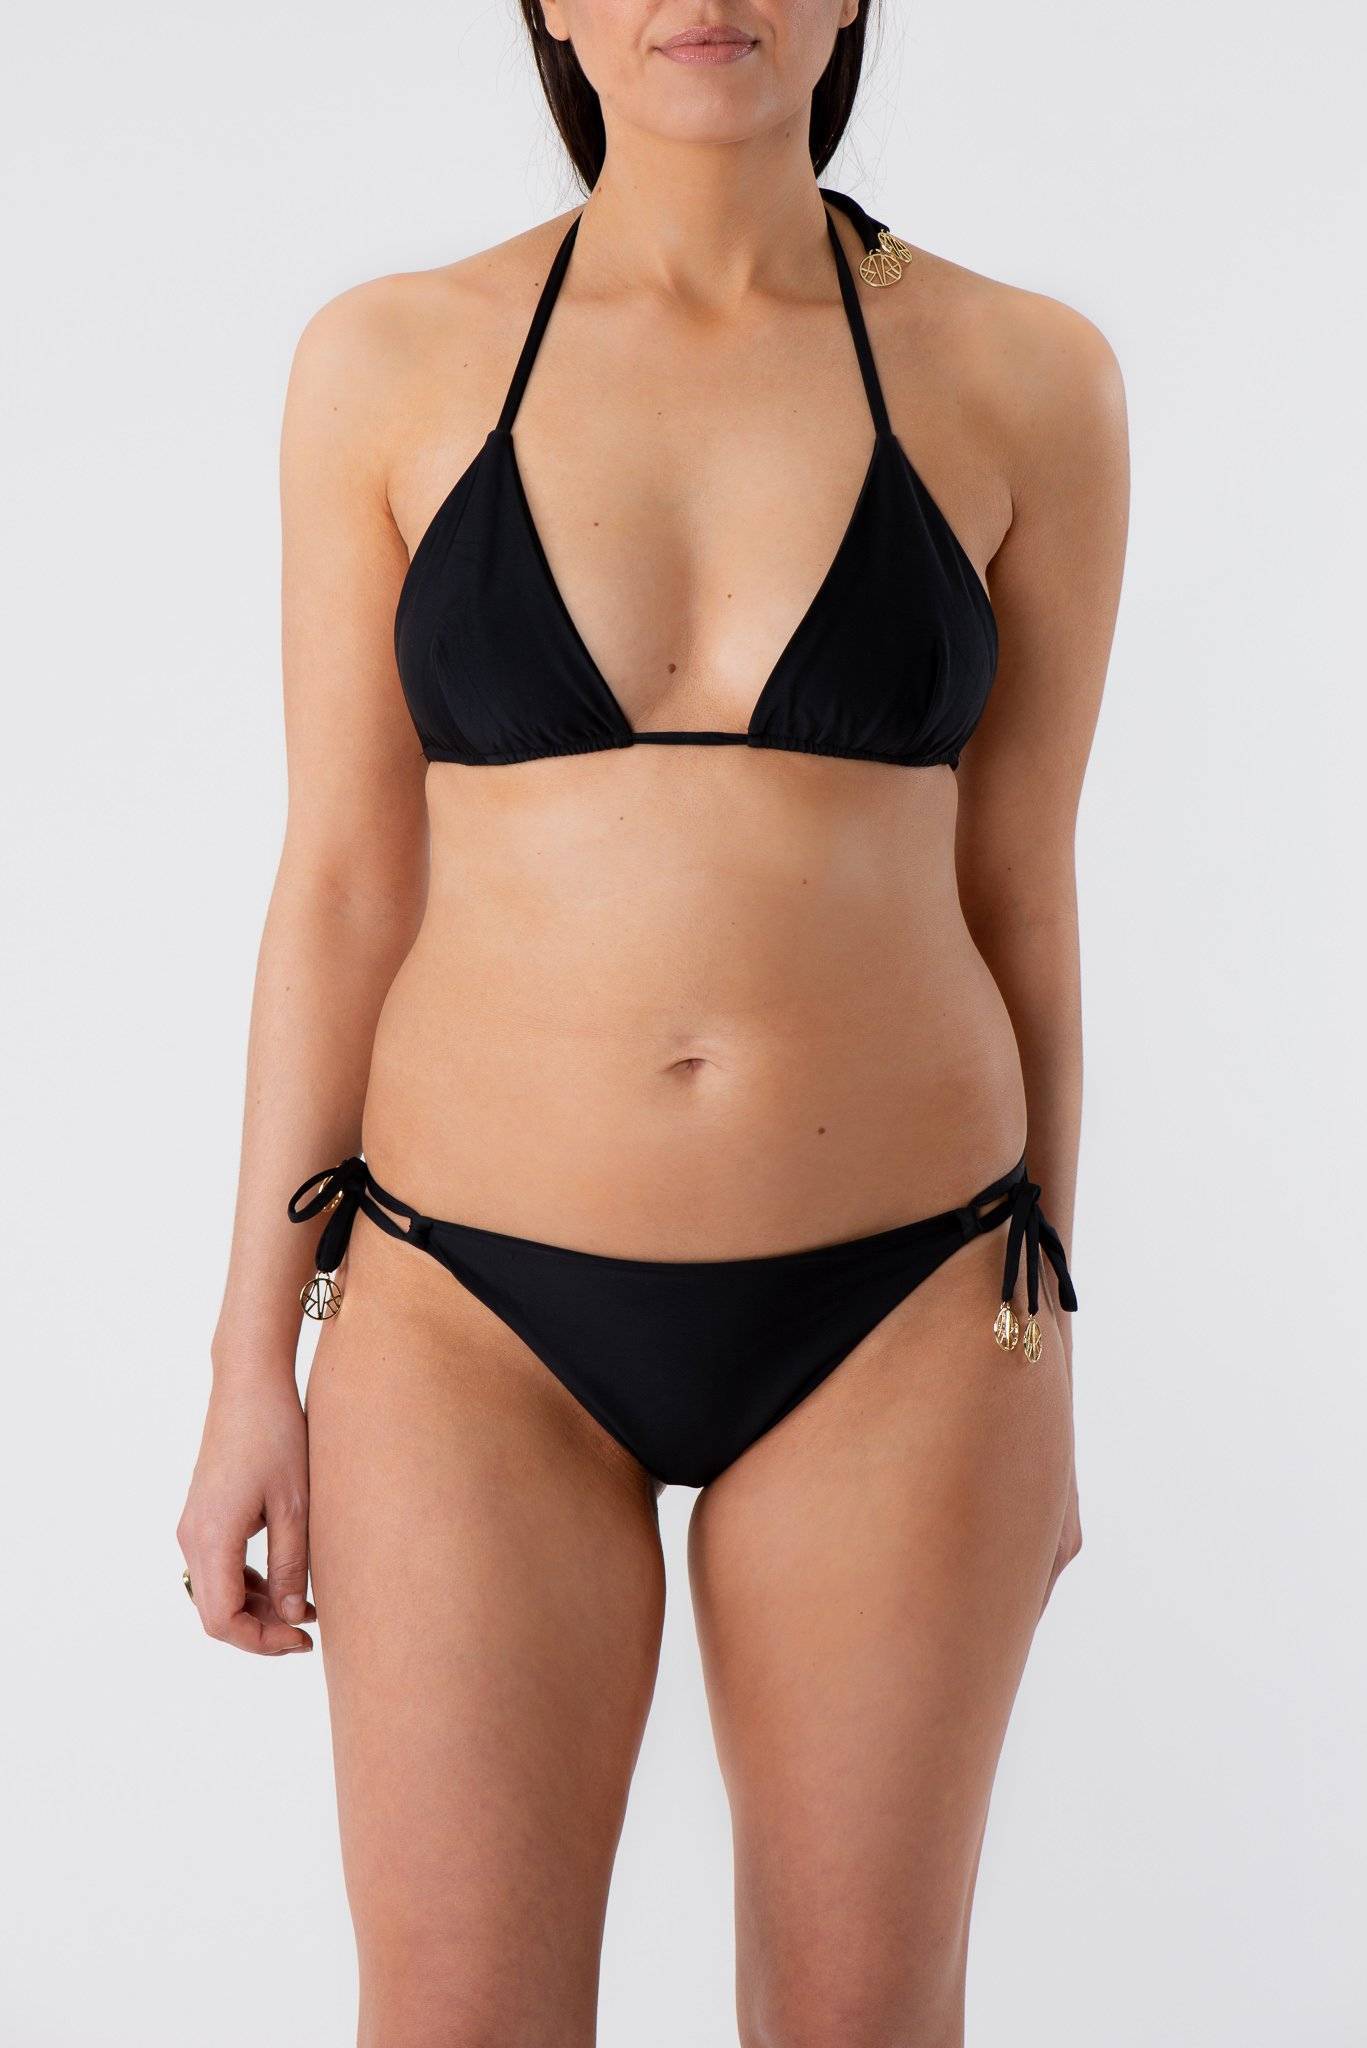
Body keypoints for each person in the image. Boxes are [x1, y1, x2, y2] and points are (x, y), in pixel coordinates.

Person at [177, 3, 1128, 2040]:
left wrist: (1041, 1324)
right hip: (463, 1313)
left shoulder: (1027, 372)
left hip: (909, 1309)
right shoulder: (389, 360)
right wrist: (251, 1362)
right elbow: (339, 883)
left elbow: (1028, 889)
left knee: (864, 2020)